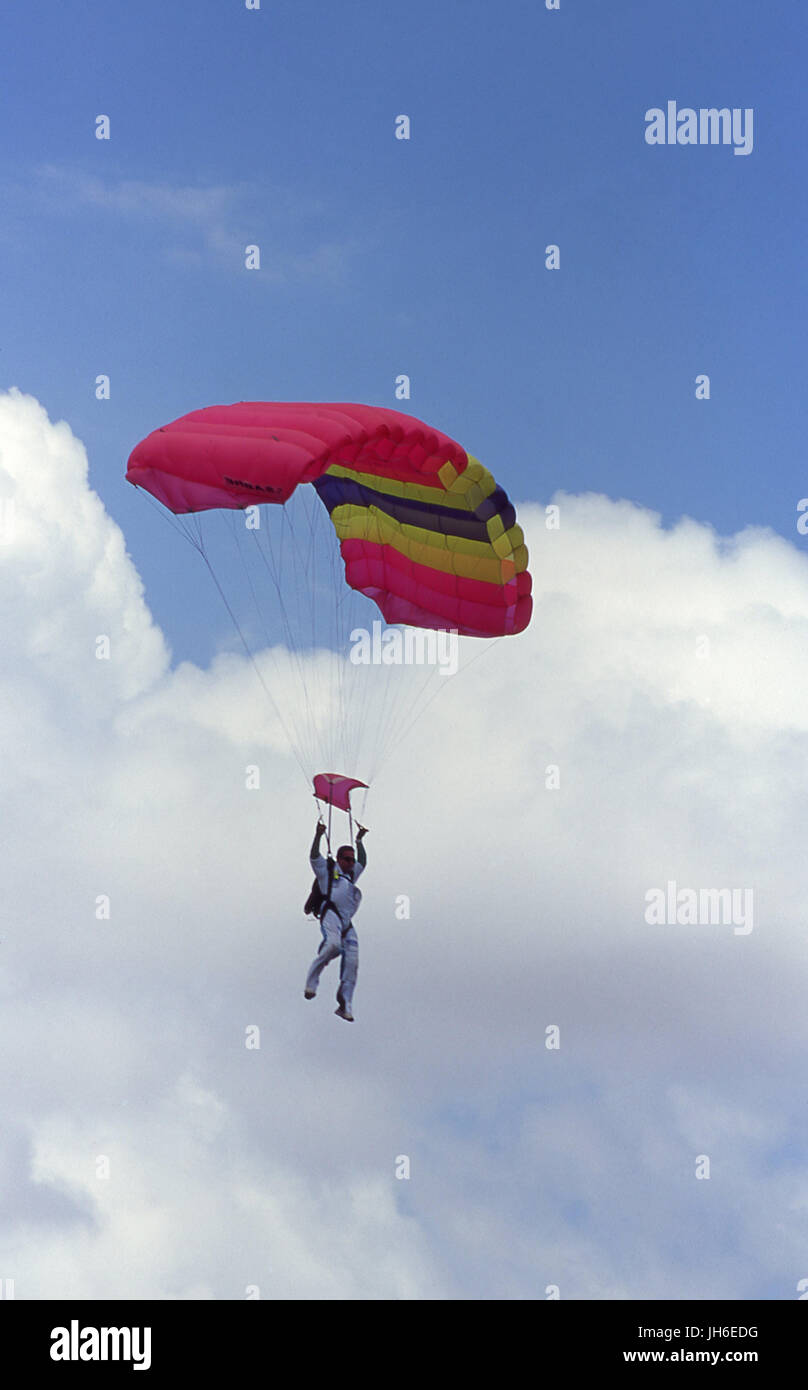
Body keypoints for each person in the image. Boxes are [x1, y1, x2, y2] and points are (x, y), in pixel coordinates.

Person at [304, 820, 368, 1021]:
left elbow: (363, 862)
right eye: (347, 859)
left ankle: (345, 1003)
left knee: (352, 961)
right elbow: (314, 856)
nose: (351, 863)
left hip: (347, 923)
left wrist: (359, 841)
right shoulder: (327, 871)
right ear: (339, 859)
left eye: (352, 860)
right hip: (330, 915)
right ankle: (311, 982)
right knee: (333, 945)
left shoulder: (351, 875)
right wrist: (318, 835)